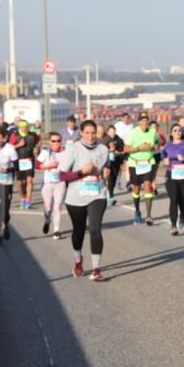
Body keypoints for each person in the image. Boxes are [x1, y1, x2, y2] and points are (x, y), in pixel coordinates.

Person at [56, 120, 110, 281]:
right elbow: (62, 175)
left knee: (95, 229)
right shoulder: (73, 149)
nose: (91, 136)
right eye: (87, 132)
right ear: (81, 133)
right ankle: (78, 261)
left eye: (93, 132)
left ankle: (96, 269)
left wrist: (107, 171)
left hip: (97, 194)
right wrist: (81, 173)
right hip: (75, 197)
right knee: (78, 232)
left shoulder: (103, 149)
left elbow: (106, 166)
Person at [123, 113, 159, 225]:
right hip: (135, 164)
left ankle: (148, 215)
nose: (144, 122)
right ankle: (137, 211)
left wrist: (154, 147)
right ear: (138, 122)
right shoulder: (133, 132)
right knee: (137, 189)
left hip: (148, 163)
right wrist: (139, 148)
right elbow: (125, 148)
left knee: (148, 186)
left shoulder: (153, 132)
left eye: (146, 120)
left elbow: (158, 142)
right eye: (142, 120)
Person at [37, 132, 66, 239]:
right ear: (49, 142)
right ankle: (47, 220)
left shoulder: (65, 153)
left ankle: (56, 230)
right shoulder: (45, 153)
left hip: (60, 183)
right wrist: (50, 166)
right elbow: (36, 165)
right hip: (47, 184)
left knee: (57, 207)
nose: (56, 143)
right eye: (54, 141)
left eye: (58, 141)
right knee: (48, 208)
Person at [9, 120, 39, 209]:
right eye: (22, 127)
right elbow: (9, 148)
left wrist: (37, 148)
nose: (24, 128)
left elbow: (39, 141)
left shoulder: (32, 135)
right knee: (19, 183)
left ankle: (28, 201)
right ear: (19, 127)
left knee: (29, 180)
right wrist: (18, 145)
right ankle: (23, 199)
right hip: (18, 161)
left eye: (26, 126)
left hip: (29, 160)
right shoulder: (15, 135)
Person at [100, 124, 125, 206]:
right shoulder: (104, 139)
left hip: (116, 162)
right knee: (109, 178)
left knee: (113, 179)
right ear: (107, 132)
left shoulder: (119, 140)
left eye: (114, 132)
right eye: (111, 131)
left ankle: (110, 192)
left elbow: (123, 150)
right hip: (106, 162)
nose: (112, 133)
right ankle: (110, 196)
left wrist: (118, 154)